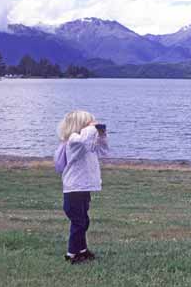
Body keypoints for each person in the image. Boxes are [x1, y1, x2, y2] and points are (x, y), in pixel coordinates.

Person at [54, 110, 109, 264]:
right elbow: (85, 140)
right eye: (88, 123)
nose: (93, 126)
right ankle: (72, 254)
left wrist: (102, 134)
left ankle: (82, 250)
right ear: (80, 126)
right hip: (74, 189)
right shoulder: (73, 141)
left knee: (84, 221)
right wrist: (92, 128)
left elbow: (102, 150)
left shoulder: (85, 141)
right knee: (79, 223)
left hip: (82, 188)